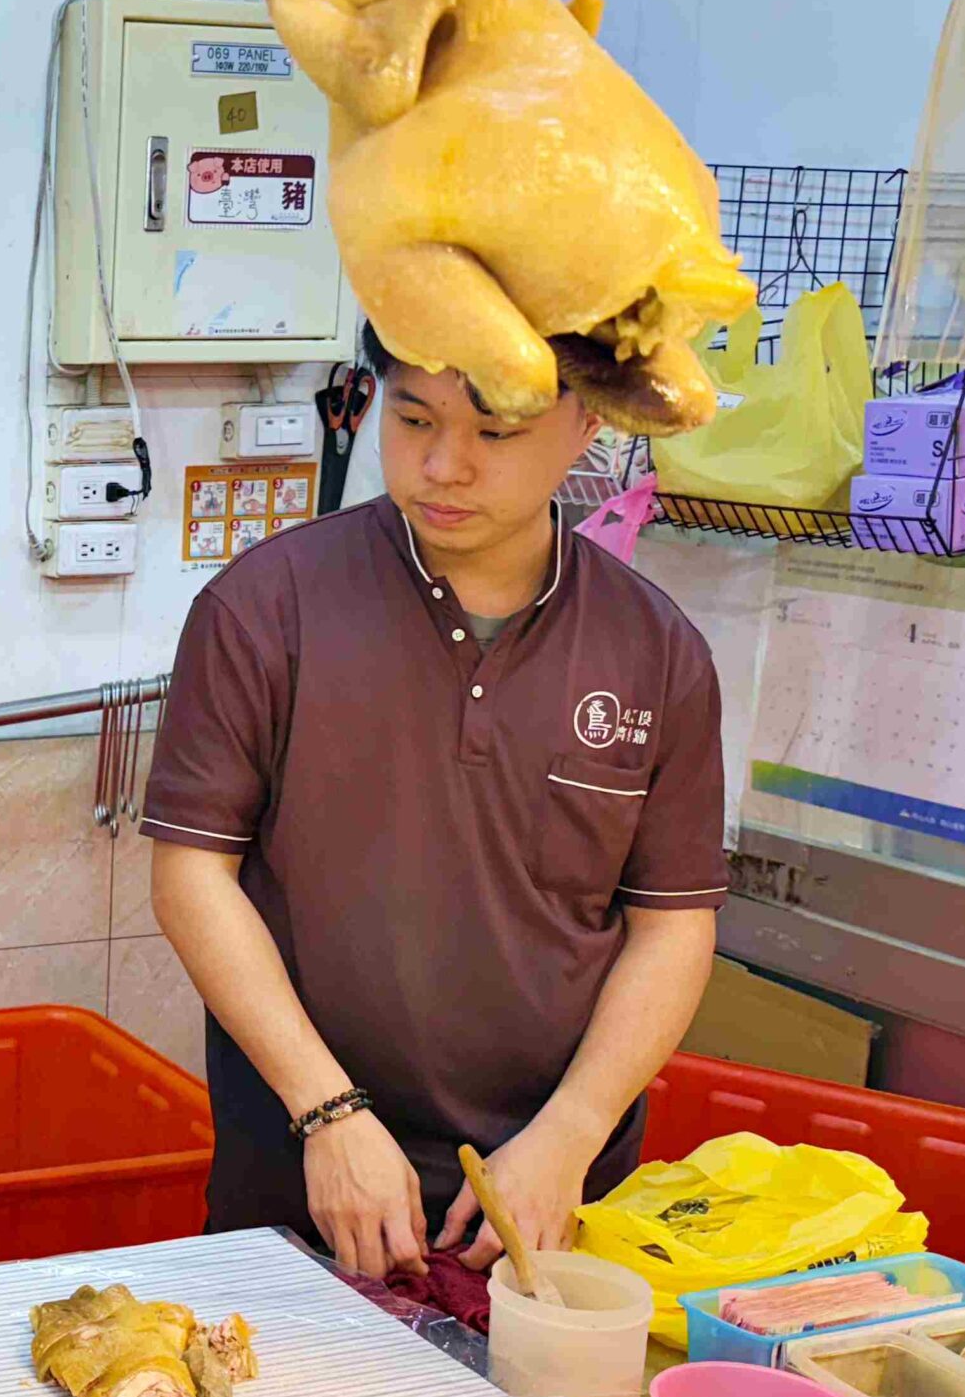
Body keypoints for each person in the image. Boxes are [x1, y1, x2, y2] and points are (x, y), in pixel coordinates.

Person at [144, 322, 726, 1280]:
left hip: (551, 1203)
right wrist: (326, 1112)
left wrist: (572, 1134)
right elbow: (190, 878)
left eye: (494, 433)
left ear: (586, 426)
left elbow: (672, 926)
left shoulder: (655, 651)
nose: (443, 465)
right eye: (414, 418)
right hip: (304, 1181)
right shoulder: (265, 609)